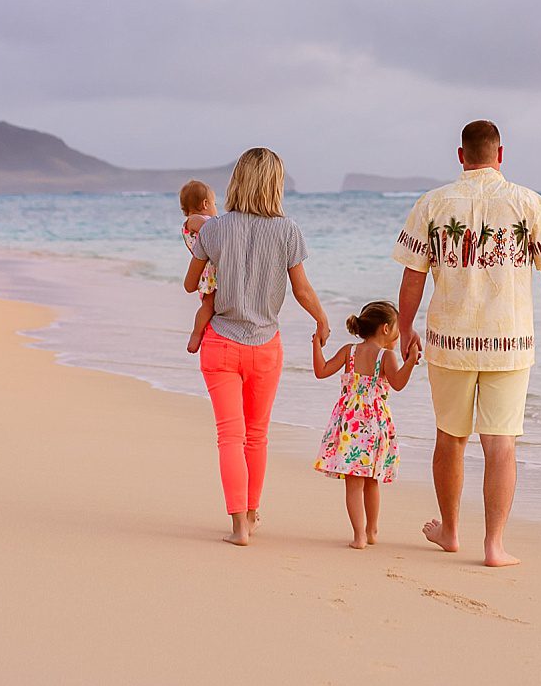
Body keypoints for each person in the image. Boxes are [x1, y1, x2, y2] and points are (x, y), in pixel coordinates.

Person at [392, 120, 541, 567]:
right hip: (509, 342)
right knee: (501, 444)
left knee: (450, 439)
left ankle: (451, 531)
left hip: (449, 341)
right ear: (500, 154)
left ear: (461, 156)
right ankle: (494, 546)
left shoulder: (432, 204)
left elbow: (412, 275)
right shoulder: (528, 202)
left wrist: (405, 328)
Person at [184, 147, 330, 546]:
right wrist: (322, 318)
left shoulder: (214, 229)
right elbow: (301, 289)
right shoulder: (288, 230)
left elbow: (191, 280)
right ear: (275, 185)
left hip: (221, 343)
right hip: (266, 345)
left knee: (229, 436)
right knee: (257, 435)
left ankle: (238, 528)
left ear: (238, 181)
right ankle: (251, 512)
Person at [311, 300, 419, 548]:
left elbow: (321, 370)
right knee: (372, 480)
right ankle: (372, 531)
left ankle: (359, 535)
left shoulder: (349, 351)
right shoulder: (386, 356)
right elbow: (399, 383)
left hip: (350, 425)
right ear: (384, 329)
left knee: (353, 483)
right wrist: (411, 361)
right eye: (396, 328)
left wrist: (316, 344)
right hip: (375, 426)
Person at [179, 179, 217, 354]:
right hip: (208, 270)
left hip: (212, 268)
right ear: (205, 204)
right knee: (208, 304)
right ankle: (196, 334)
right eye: (214, 204)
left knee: (213, 304)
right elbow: (208, 230)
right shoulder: (194, 220)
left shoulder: (200, 219)